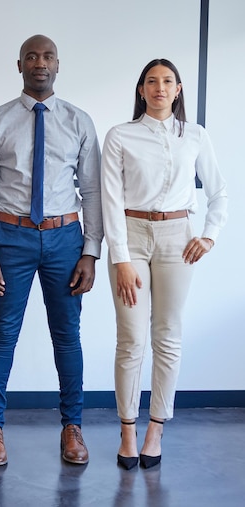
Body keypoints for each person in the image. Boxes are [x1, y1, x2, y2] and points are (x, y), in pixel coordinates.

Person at [0, 34, 103, 466]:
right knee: (4, 333)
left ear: (58, 65)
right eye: (31, 56)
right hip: (11, 238)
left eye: (47, 57)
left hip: (66, 239)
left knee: (67, 336)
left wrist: (91, 250)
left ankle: (72, 427)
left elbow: (93, 190)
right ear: (19, 65)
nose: (39, 63)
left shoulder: (79, 121)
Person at [101, 59, 228, 470]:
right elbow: (110, 200)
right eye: (151, 81)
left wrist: (209, 234)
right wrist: (120, 258)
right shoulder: (121, 135)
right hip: (132, 235)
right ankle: (127, 431)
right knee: (131, 338)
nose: (159, 88)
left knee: (168, 335)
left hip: (178, 237)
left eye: (167, 81)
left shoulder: (195, 135)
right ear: (141, 90)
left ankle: (156, 429)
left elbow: (219, 191)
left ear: (178, 90)